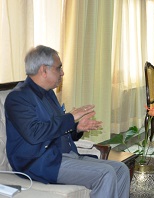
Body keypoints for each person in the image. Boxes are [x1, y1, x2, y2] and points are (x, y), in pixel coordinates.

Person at [5, 45, 130, 198]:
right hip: (40, 163)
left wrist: (76, 129)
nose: (62, 73)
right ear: (44, 70)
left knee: (121, 169)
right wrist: (70, 118)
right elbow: (34, 134)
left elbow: (56, 130)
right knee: (106, 173)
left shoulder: (49, 94)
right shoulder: (18, 98)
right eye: (59, 68)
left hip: (63, 156)